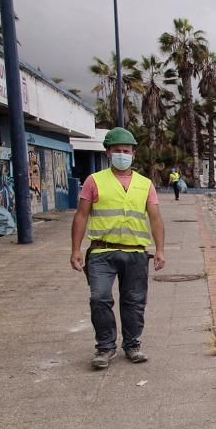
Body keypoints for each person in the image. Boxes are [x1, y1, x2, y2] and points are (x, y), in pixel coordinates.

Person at [70, 127, 166, 369]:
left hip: (135, 252)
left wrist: (160, 250)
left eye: (126, 150)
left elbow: (155, 218)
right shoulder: (94, 181)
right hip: (102, 251)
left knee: (134, 301)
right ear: (108, 152)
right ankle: (105, 347)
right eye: (117, 151)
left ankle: (132, 344)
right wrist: (75, 249)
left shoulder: (145, 185)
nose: (122, 154)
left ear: (133, 153)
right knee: (99, 298)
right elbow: (81, 216)